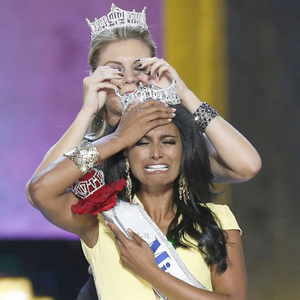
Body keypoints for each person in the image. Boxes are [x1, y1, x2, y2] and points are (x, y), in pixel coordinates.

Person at [26, 4, 261, 209]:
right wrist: (86, 113)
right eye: (116, 69)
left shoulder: (172, 140)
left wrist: (186, 96)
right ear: (95, 77)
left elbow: (246, 166)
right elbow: (37, 193)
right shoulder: (89, 150)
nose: (129, 79)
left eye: (139, 67)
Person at [28, 101, 247, 300]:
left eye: (168, 142)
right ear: (126, 154)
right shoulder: (102, 219)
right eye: (142, 143)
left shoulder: (216, 218)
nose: (156, 153)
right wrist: (117, 139)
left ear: (184, 151)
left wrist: (152, 272)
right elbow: (41, 189)